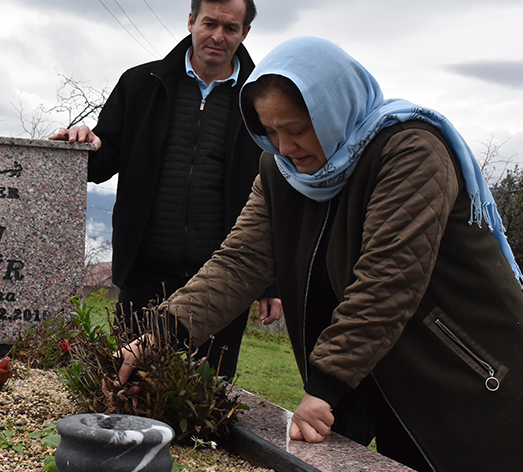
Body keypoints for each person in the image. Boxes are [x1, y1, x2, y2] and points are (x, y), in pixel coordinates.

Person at [116, 37, 523, 471]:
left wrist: (325, 385)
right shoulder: (282, 172)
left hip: (469, 370)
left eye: (296, 128)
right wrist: (157, 336)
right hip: (375, 375)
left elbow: (390, 277)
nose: (284, 146)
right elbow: (239, 263)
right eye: (269, 131)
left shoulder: (409, 151)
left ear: (333, 107)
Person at [49, 0, 281, 379]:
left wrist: (272, 280)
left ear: (245, 33)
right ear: (191, 21)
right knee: (126, 385)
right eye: (210, 23)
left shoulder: (262, 102)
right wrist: (83, 144)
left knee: (206, 402)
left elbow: (278, 189)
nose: (217, 35)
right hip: (144, 277)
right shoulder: (141, 85)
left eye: (230, 28)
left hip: (223, 281)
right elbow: (105, 161)